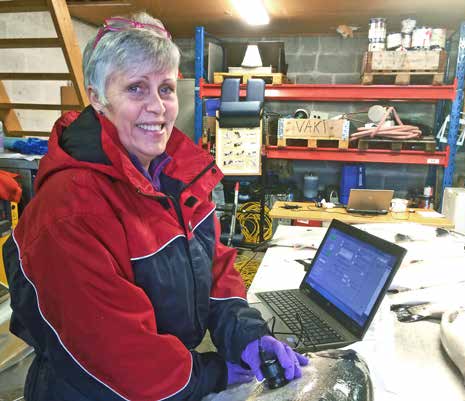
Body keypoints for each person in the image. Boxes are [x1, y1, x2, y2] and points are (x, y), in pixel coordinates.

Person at [3, 12, 307, 401]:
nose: (158, 107)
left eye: (165, 88)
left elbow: (214, 270)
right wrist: (215, 373)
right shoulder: (71, 210)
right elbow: (119, 356)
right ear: (97, 96)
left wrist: (246, 333)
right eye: (135, 88)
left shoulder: (179, 176)